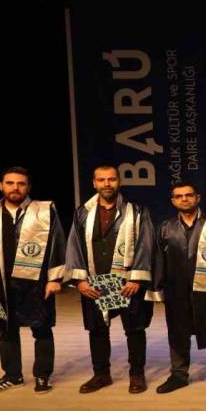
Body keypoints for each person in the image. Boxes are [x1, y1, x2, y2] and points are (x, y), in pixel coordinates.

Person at [0, 166, 66, 394]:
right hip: (0, 283)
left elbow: (57, 244)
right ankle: (12, 376)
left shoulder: (45, 211)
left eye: (21, 183)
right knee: (5, 330)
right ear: (1, 186)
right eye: (10, 183)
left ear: (28, 187)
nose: (15, 188)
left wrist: (55, 278)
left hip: (37, 283)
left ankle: (42, 375)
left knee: (42, 328)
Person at [65, 165, 155, 394]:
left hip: (127, 283)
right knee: (97, 330)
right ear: (94, 183)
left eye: (112, 179)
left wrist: (136, 278)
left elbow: (146, 244)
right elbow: (74, 245)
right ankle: (101, 374)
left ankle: (136, 374)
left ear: (119, 182)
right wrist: (80, 281)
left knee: (134, 330)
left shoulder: (137, 211)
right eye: (102, 180)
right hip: (94, 282)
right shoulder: (83, 213)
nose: (107, 184)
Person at [147, 182, 206, 396]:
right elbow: (158, 259)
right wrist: (158, 288)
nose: (184, 199)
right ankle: (178, 375)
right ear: (173, 201)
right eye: (179, 196)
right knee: (177, 333)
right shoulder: (165, 227)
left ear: (198, 197)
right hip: (176, 290)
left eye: (188, 195)